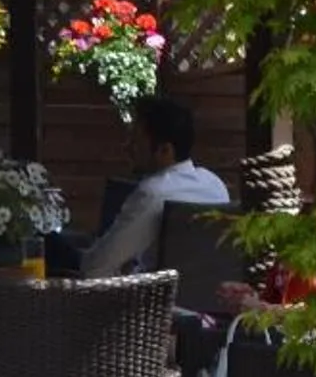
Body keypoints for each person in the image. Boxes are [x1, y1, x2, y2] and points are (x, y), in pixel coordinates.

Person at [82, 93, 231, 277]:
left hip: (149, 301)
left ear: (165, 150)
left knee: (51, 246)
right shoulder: (215, 185)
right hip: (205, 301)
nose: (127, 147)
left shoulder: (153, 193)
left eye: (136, 140)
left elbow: (95, 268)